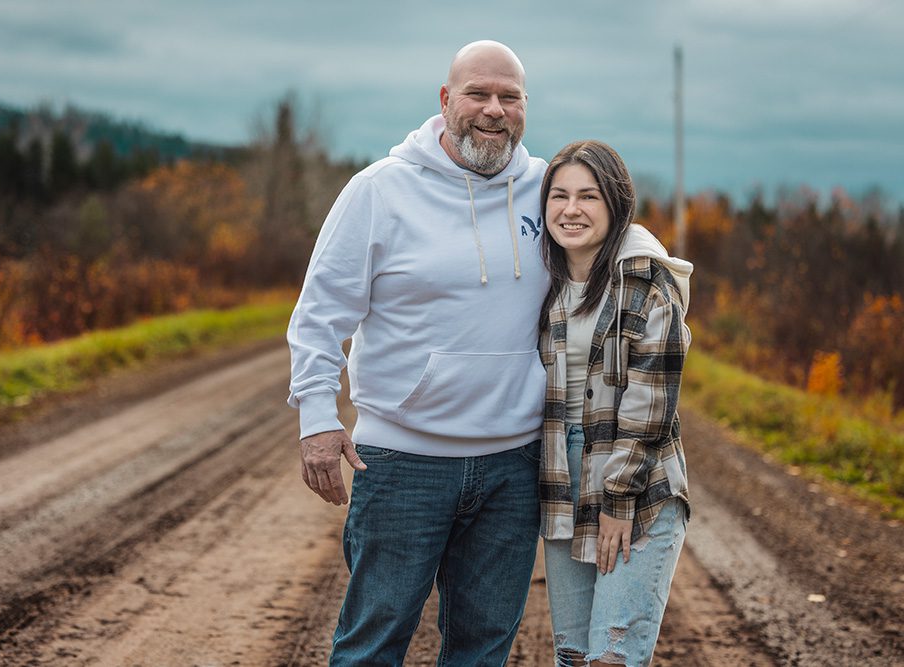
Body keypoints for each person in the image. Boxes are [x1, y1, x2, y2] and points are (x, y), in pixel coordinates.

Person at [287, 41, 549, 665]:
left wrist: (657, 267)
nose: (493, 110)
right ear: (445, 100)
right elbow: (320, 313)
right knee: (372, 646)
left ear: (524, 107)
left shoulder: (546, 189)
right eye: (478, 94)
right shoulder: (379, 191)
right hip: (401, 464)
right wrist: (318, 420)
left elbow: (611, 227)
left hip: (513, 468)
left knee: (483, 649)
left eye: (509, 97)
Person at [536, 140, 693, 667]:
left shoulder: (648, 279)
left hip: (638, 482)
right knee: (573, 657)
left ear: (616, 204)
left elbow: (652, 406)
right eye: (559, 196)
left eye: (588, 196)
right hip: (563, 480)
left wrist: (617, 500)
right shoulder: (546, 281)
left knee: (613, 658)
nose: (571, 210)